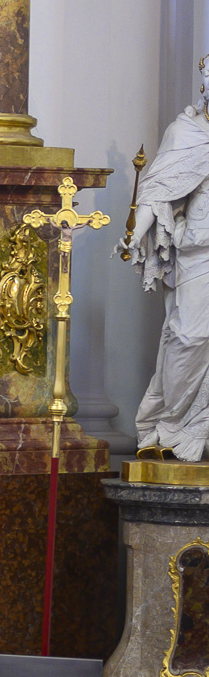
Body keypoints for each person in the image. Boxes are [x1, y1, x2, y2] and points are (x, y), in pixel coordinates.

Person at [127, 56, 209, 462]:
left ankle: (196, 428)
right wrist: (135, 235)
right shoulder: (187, 134)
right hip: (200, 251)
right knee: (188, 336)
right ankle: (170, 423)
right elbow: (158, 191)